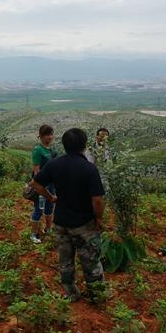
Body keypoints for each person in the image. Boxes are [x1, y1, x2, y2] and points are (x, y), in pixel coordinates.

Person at [30, 128, 105, 302]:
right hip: (84, 224)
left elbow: (35, 183)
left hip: (61, 222)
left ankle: (71, 293)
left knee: (65, 261)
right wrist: (99, 219)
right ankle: (97, 296)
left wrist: (51, 198)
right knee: (91, 260)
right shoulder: (89, 169)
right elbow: (97, 200)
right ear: (84, 145)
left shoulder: (55, 164)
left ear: (64, 145)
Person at [29, 125, 58, 244]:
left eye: (51, 134)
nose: (50, 137)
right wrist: (41, 186)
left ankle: (48, 229)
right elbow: (36, 170)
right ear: (40, 136)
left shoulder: (52, 150)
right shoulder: (38, 150)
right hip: (42, 184)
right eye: (47, 135)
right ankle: (33, 234)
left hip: (52, 183)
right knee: (39, 209)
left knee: (50, 207)